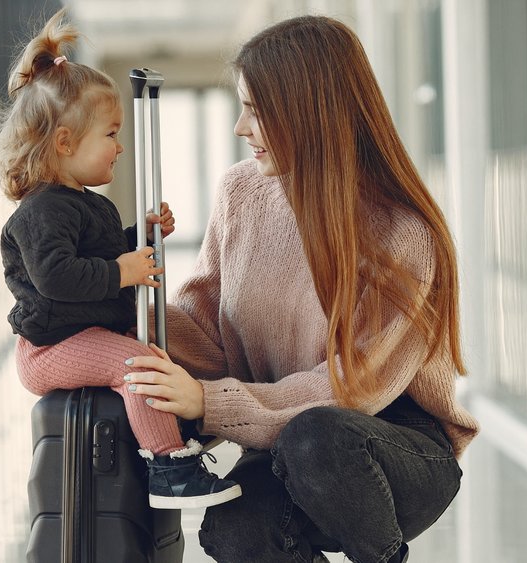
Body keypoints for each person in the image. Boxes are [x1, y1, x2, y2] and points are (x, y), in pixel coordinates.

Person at [122, 14, 479, 563]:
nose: (241, 127)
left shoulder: (403, 233)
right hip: (285, 437)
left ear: (309, 112)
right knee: (233, 531)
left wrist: (209, 403)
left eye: (256, 110)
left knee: (316, 439)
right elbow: (208, 334)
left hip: (392, 445)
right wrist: (126, 298)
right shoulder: (240, 193)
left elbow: (352, 388)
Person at [0, 9, 241, 510]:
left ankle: (182, 421)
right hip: (50, 348)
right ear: (64, 143)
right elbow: (58, 276)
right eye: (111, 135)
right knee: (137, 364)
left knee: (158, 349)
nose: (120, 147)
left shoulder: (85, 201)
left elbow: (95, 255)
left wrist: (136, 237)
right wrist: (125, 270)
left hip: (83, 330)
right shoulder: (41, 210)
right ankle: (168, 465)